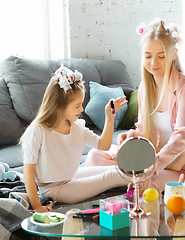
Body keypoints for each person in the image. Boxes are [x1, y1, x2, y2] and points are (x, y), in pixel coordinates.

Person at [85, 18, 185, 193]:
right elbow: (145, 130)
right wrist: (132, 136)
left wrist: (154, 164)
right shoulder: (145, 89)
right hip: (153, 157)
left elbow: (182, 135)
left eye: (161, 56)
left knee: (149, 183)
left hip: (182, 164)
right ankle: (124, 178)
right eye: (148, 56)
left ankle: (127, 181)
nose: (153, 63)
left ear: (174, 53)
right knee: (94, 157)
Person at [20, 64, 129, 213]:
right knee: (113, 175)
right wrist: (37, 206)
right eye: (77, 105)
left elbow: (103, 145)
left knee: (118, 169)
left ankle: (151, 174)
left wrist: (109, 117)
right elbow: (29, 171)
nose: (82, 109)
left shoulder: (77, 126)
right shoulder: (38, 131)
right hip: (54, 188)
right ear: (59, 106)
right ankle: (149, 178)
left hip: (70, 176)